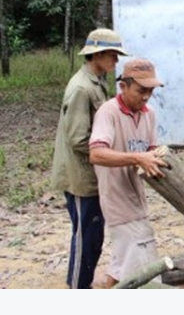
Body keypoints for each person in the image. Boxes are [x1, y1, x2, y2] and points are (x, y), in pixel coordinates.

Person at [51, 27, 128, 289]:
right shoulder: (82, 88)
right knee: (86, 238)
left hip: (92, 175)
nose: (116, 61)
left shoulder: (96, 82)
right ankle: (77, 289)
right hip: (81, 177)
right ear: (97, 54)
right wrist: (108, 152)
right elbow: (78, 138)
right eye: (112, 55)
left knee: (93, 236)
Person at [89, 58, 167, 288]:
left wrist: (157, 159)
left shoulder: (148, 113)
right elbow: (96, 154)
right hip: (116, 198)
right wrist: (136, 157)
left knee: (123, 259)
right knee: (143, 264)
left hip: (137, 197)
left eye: (150, 91)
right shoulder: (108, 112)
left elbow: (151, 151)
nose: (145, 97)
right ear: (123, 86)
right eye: (141, 91)